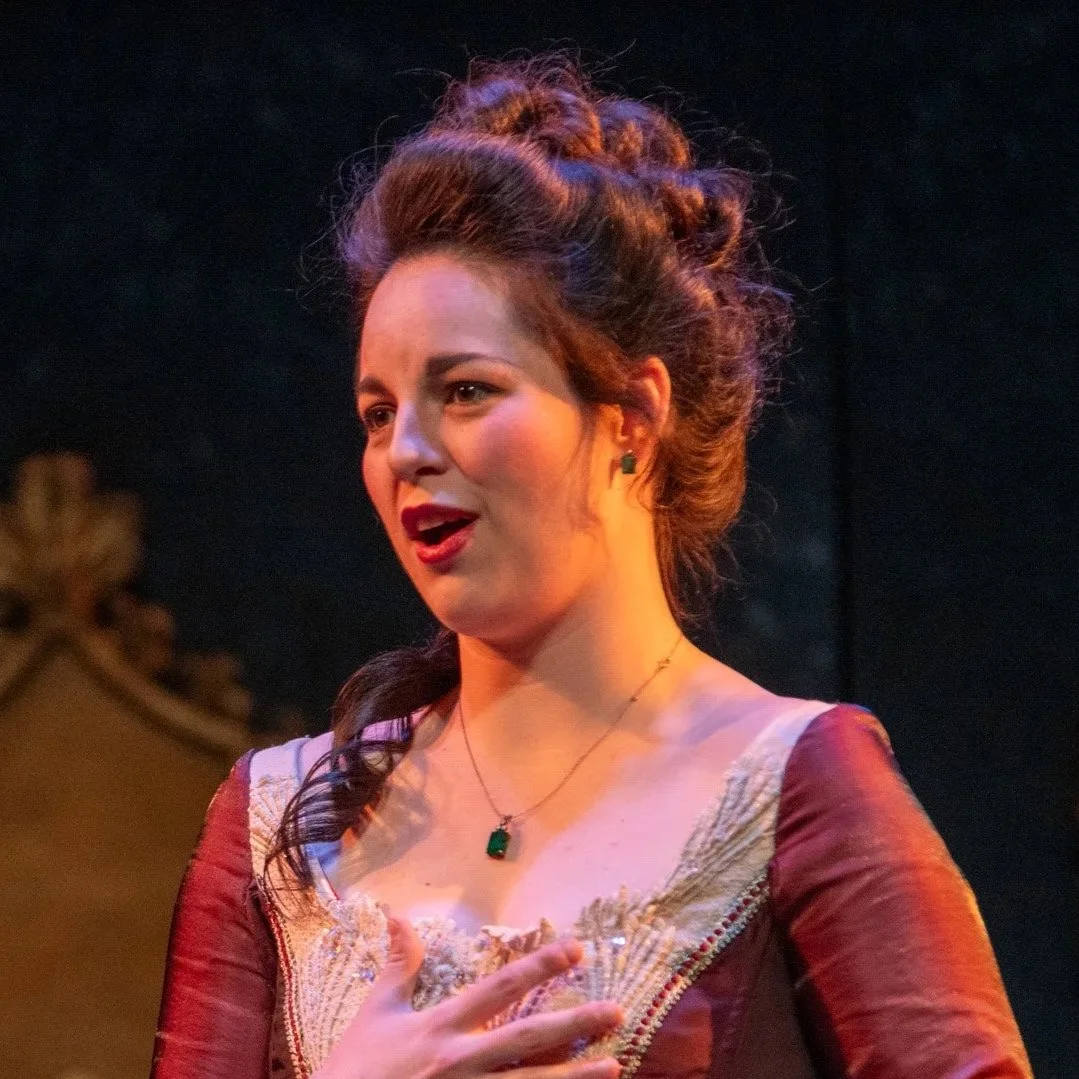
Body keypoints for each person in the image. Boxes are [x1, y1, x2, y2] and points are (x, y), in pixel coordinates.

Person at [150, 56, 1032, 1079]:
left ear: (629, 415)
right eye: (377, 411)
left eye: (467, 390)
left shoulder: (791, 788)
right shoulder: (276, 830)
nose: (404, 451)